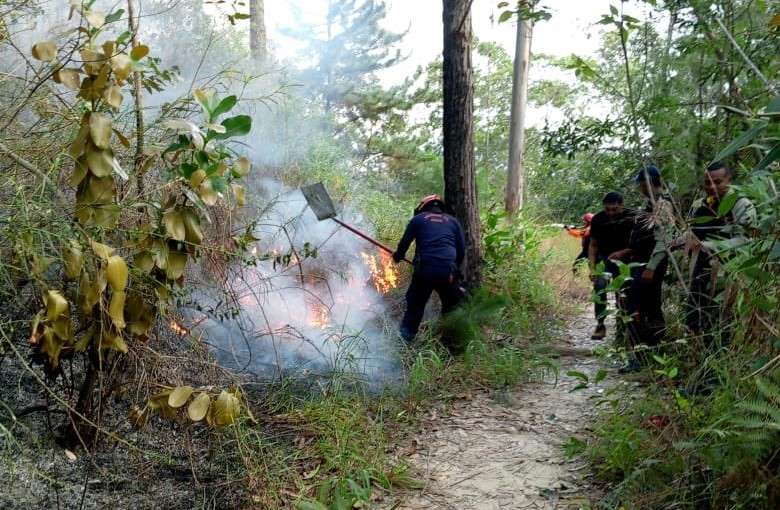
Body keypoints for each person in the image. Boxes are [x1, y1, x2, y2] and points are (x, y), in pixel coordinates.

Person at [676, 161, 756, 341]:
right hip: (700, 271)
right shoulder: (700, 204)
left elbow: (745, 241)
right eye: (707, 182)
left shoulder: (741, 204)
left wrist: (707, 245)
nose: (711, 187)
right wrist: (681, 241)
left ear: (729, 180)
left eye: (717, 182)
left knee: (721, 322)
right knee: (694, 319)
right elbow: (691, 232)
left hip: (728, 274)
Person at [393, 194, 466, 344]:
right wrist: (454, 269)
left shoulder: (417, 220)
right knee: (451, 307)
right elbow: (461, 251)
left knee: (415, 306)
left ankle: (405, 342)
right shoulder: (453, 222)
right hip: (448, 272)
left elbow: (404, 243)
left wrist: (398, 256)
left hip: (425, 270)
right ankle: (450, 342)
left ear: (423, 207)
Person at [587, 192, 635, 340]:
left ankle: (622, 328)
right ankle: (600, 324)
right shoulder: (598, 219)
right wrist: (592, 268)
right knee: (600, 286)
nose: (611, 213)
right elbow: (593, 246)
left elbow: (639, 244)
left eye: (614, 209)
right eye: (607, 209)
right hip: (604, 260)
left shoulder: (632, 217)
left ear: (622, 205)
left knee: (623, 292)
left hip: (625, 261)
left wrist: (622, 253)